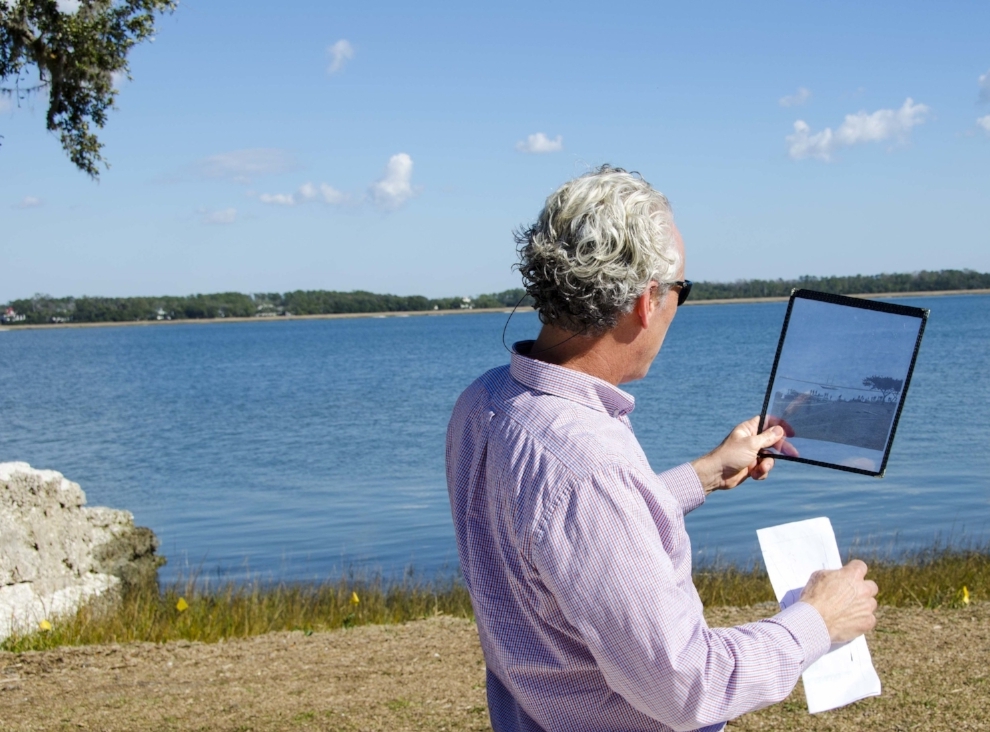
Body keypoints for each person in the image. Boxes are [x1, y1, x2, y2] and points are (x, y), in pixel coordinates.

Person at [445, 165, 878, 732]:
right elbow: (689, 686)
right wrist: (819, 619)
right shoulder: (589, 469)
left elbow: (564, 542)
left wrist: (702, 475)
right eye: (682, 290)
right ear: (648, 301)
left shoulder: (483, 402)